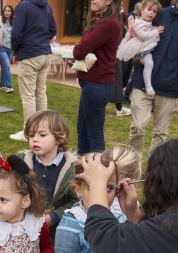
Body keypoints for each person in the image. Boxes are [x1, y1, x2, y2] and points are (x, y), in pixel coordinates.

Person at [128, 0, 178, 161]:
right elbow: (137, 17)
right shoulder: (160, 13)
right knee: (137, 128)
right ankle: (132, 169)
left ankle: (154, 172)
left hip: (170, 87)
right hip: (143, 82)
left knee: (160, 134)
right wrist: (131, 21)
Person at [55, 145, 140, 253]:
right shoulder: (71, 225)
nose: (103, 195)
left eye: (109, 188)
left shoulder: (121, 214)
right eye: (94, 187)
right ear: (78, 190)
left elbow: (139, 251)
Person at [18, 110, 78, 237]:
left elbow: (76, 201)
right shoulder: (21, 162)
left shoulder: (73, 168)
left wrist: (54, 217)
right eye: (31, 135)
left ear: (59, 138)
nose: (35, 140)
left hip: (59, 232)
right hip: (22, 228)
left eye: (42, 135)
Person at [73, 0, 122, 154]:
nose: (92, 0)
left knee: (93, 134)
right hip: (93, 84)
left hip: (97, 85)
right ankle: (84, 168)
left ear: (108, 1)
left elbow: (79, 51)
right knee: (83, 129)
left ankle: (97, 171)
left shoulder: (109, 24)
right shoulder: (101, 21)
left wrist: (78, 46)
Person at [9, 0, 57, 142]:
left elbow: (16, 32)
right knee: (40, 92)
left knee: (28, 95)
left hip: (30, 54)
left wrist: (16, 50)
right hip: (44, 53)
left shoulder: (24, 6)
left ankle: (29, 131)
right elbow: (53, 29)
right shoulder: (47, 6)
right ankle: (43, 130)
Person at [116, 0, 164, 96]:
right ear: (141, 10)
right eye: (149, 9)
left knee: (149, 64)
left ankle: (148, 86)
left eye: (154, 12)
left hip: (144, 48)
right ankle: (148, 86)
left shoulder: (146, 22)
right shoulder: (138, 22)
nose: (151, 13)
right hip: (139, 48)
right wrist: (155, 32)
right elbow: (142, 35)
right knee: (149, 64)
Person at [0, 5, 15, 92]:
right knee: (7, 65)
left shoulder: (14, 22)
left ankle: (2, 85)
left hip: (10, 48)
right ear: (3, 12)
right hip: (1, 47)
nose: (7, 12)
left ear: (12, 12)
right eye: (5, 10)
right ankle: (9, 86)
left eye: (9, 11)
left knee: (4, 66)